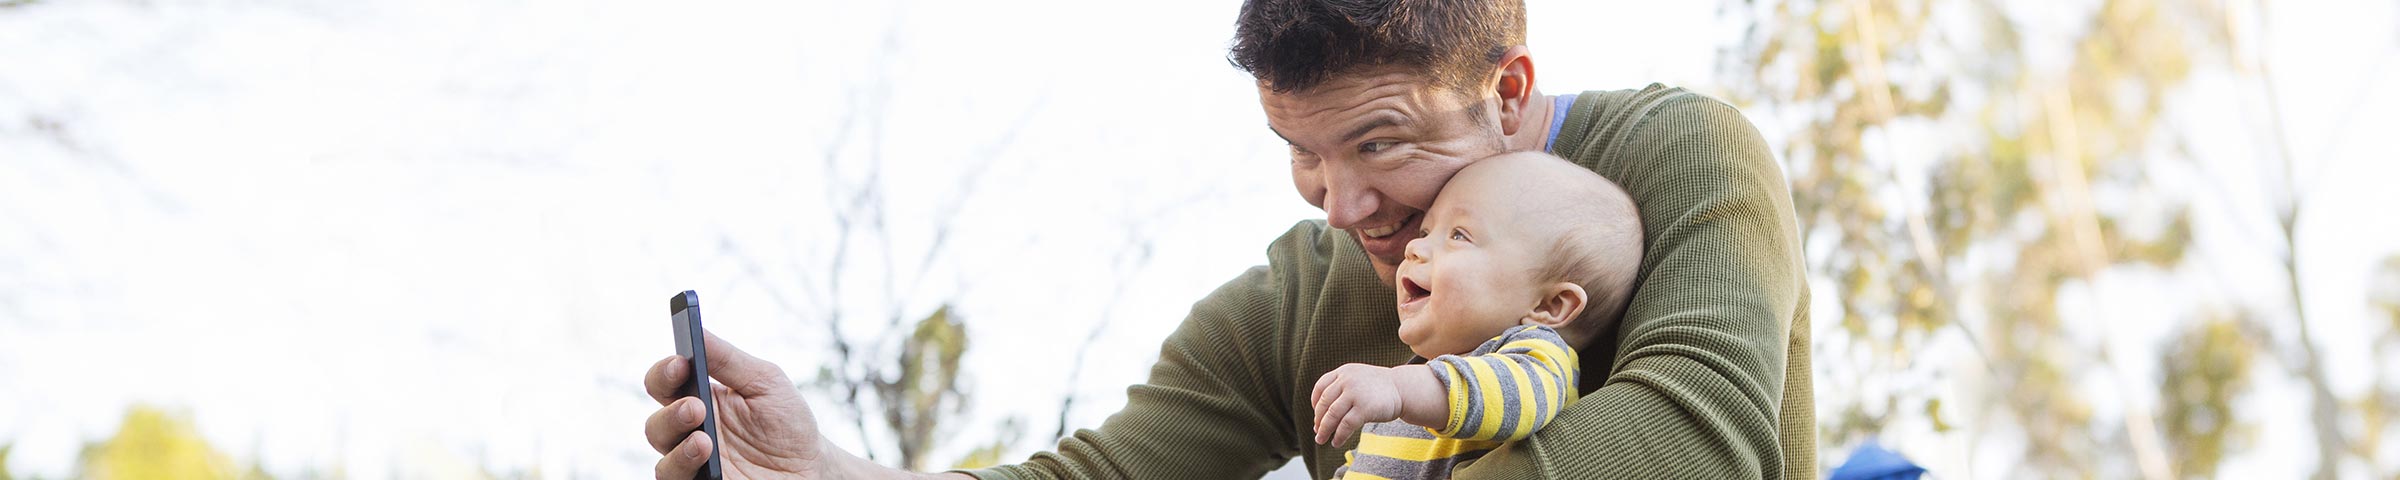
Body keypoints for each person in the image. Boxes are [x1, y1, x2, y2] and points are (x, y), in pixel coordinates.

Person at [642, 0, 1815, 478]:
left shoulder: (1680, 158)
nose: (1340, 206)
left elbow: (1690, 440)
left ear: (1508, 89)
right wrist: (828, 474)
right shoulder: (1302, 300)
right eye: (1303, 153)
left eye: (1382, 144)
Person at [1310, 151, 1643, 479]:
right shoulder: (1417, 379)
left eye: (1458, 235)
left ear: (1549, 306)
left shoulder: (1537, 357)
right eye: (1426, 232)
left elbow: (1515, 404)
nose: (1413, 247)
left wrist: (1397, 390)